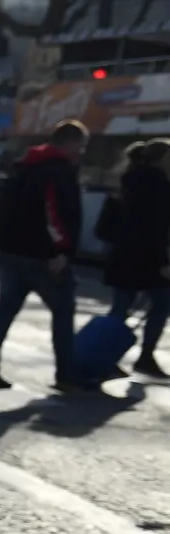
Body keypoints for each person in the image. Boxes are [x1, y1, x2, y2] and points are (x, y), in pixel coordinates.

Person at [0, 119, 87, 393]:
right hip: (42, 256)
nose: (82, 152)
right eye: (81, 146)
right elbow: (54, 215)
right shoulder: (57, 171)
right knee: (63, 310)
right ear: (70, 143)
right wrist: (61, 250)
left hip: (11, 251)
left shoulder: (24, 167)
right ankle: (66, 374)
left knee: (4, 312)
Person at [102, 138, 170, 380]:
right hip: (148, 259)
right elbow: (158, 229)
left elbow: (103, 228)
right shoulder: (160, 186)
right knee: (161, 305)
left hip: (122, 256)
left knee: (120, 307)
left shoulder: (124, 183)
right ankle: (145, 356)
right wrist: (163, 262)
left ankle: (105, 357)